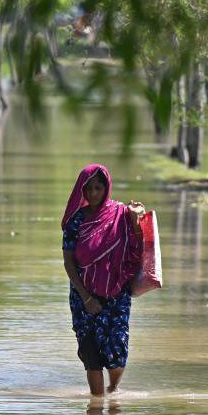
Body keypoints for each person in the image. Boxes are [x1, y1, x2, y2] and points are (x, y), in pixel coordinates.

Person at [61, 164, 145, 396]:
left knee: (117, 350)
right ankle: (95, 409)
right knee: (91, 354)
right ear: (81, 190)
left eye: (98, 188)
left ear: (106, 188)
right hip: (83, 296)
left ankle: (113, 389)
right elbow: (69, 263)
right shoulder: (75, 223)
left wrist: (136, 220)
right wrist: (87, 298)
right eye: (88, 189)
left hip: (117, 293)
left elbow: (137, 248)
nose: (93, 193)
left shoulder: (120, 214)